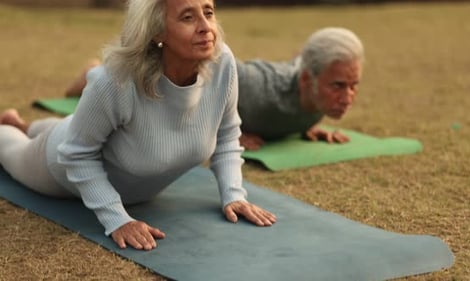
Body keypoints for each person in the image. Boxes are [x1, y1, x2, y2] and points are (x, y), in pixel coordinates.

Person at [0, 0, 276, 251]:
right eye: (188, 18)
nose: (206, 28)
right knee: (10, 147)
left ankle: (22, 123)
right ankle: (11, 128)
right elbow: (76, 153)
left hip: (94, 136)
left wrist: (233, 195)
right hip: (59, 168)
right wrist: (117, 219)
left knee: (74, 126)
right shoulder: (116, 81)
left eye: (209, 12)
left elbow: (227, 134)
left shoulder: (222, 63)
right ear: (157, 33)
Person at [64, 27, 364, 150]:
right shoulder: (258, 91)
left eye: (353, 86)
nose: (347, 98)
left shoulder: (316, 99)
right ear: (306, 82)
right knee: (145, 86)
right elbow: (208, 78)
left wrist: (304, 123)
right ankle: (94, 71)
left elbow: (301, 60)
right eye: (338, 87)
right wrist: (226, 129)